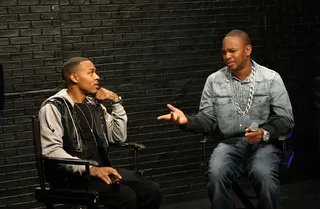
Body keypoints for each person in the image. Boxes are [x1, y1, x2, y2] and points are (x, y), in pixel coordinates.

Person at [158, 29, 294, 209]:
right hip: (229, 144)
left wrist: (264, 133)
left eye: (232, 51)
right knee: (215, 174)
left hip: (263, 144)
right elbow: (208, 120)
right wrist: (187, 121)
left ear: (247, 50)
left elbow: (286, 119)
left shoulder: (270, 78)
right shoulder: (214, 81)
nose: (227, 56)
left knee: (264, 175)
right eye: (224, 52)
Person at [39, 57, 161, 209]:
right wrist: (91, 169)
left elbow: (118, 137)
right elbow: (51, 151)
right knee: (125, 196)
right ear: (74, 77)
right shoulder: (54, 107)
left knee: (150, 190)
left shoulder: (95, 106)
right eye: (91, 73)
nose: (97, 77)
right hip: (71, 177)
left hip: (102, 170)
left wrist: (116, 102)